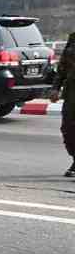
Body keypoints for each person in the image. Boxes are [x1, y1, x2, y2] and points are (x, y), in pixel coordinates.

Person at [50, 31, 75, 178]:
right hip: (72, 93)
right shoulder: (73, 37)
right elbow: (63, 66)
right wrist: (55, 87)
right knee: (67, 128)